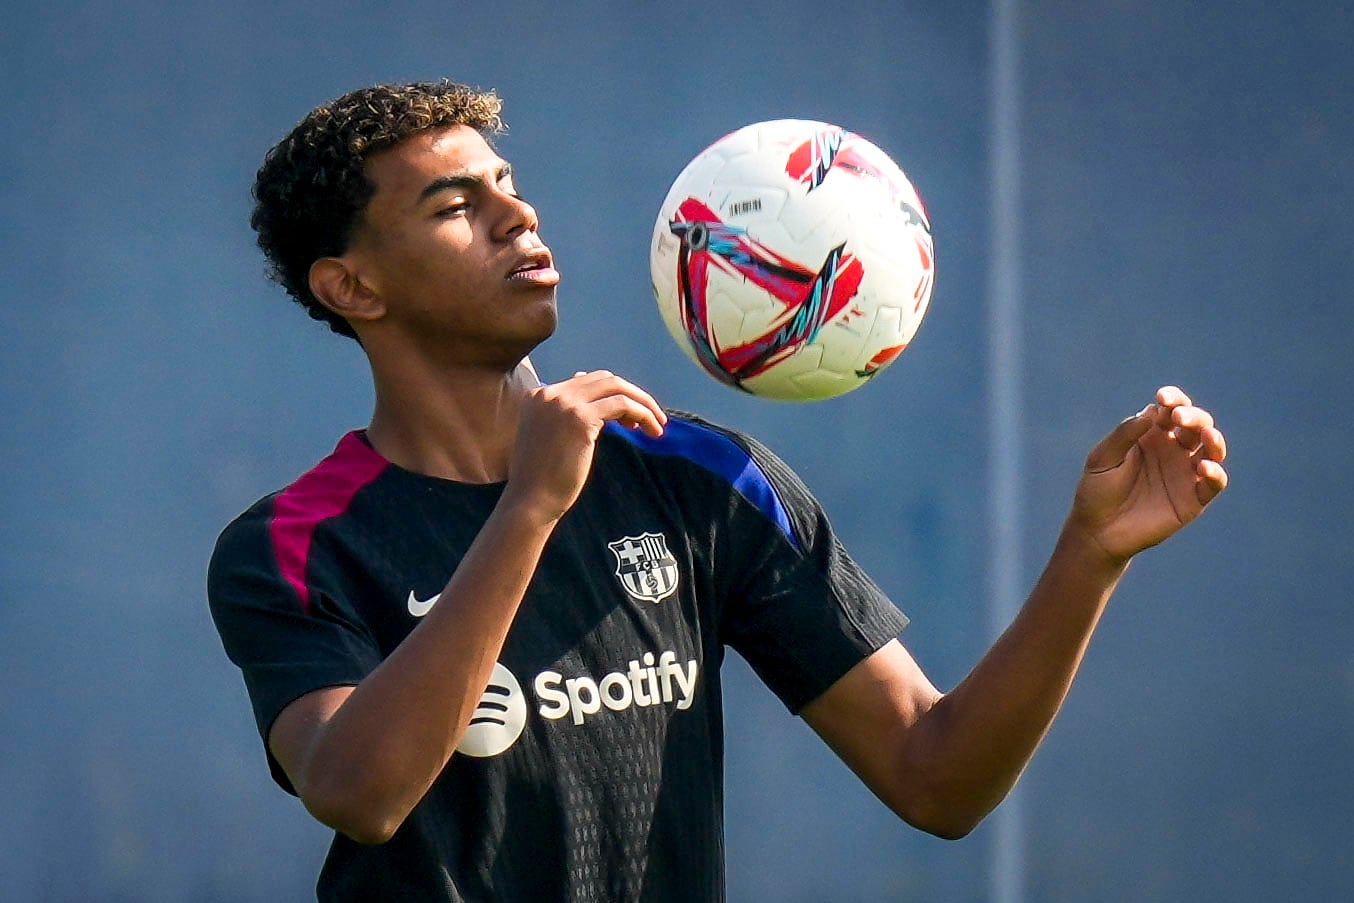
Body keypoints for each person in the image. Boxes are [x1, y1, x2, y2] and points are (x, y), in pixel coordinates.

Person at [208, 80, 1228, 902]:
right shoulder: (294, 545)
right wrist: (530, 509)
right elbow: (360, 792)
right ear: (352, 287)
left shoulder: (697, 478)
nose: (516, 214)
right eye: (454, 206)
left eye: (507, 183)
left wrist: (1091, 558)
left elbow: (938, 775)